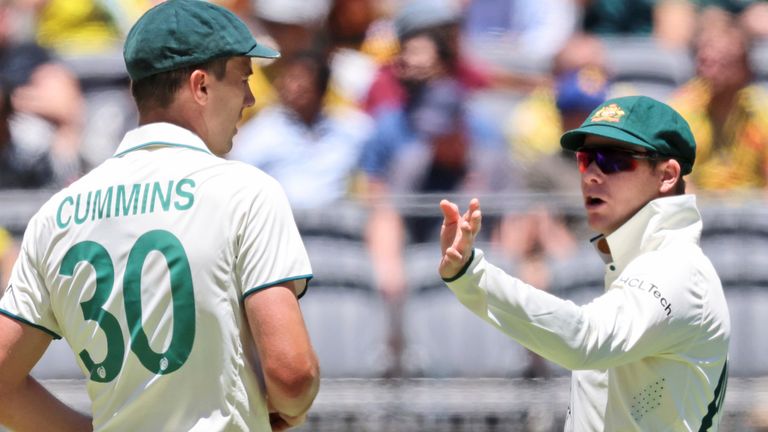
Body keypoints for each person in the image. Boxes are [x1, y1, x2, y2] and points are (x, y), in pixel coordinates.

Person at [0, 1, 319, 431]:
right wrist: (287, 410)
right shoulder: (246, 192)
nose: (250, 98)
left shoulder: (56, 214)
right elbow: (293, 376)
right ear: (201, 86)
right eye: (243, 79)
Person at [438, 96, 730, 429]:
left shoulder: (674, 270)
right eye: (585, 159)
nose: (591, 174)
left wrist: (472, 275)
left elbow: (584, 338)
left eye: (614, 160)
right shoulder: (643, 261)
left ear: (667, 175)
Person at [229, 50, 372, 209]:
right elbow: (238, 182)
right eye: (289, 78)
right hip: (282, 223)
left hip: (336, 225)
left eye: (300, 80)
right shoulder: (261, 133)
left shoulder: (349, 129)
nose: (293, 87)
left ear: (321, 88)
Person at [669, 13, 768, 192]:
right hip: (699, 210)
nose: (712, 71)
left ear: (746, 68)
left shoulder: (762, 110)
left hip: (755, 211)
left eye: (724, 62)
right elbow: (677, 180)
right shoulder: (681, 113)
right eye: (706, 62)